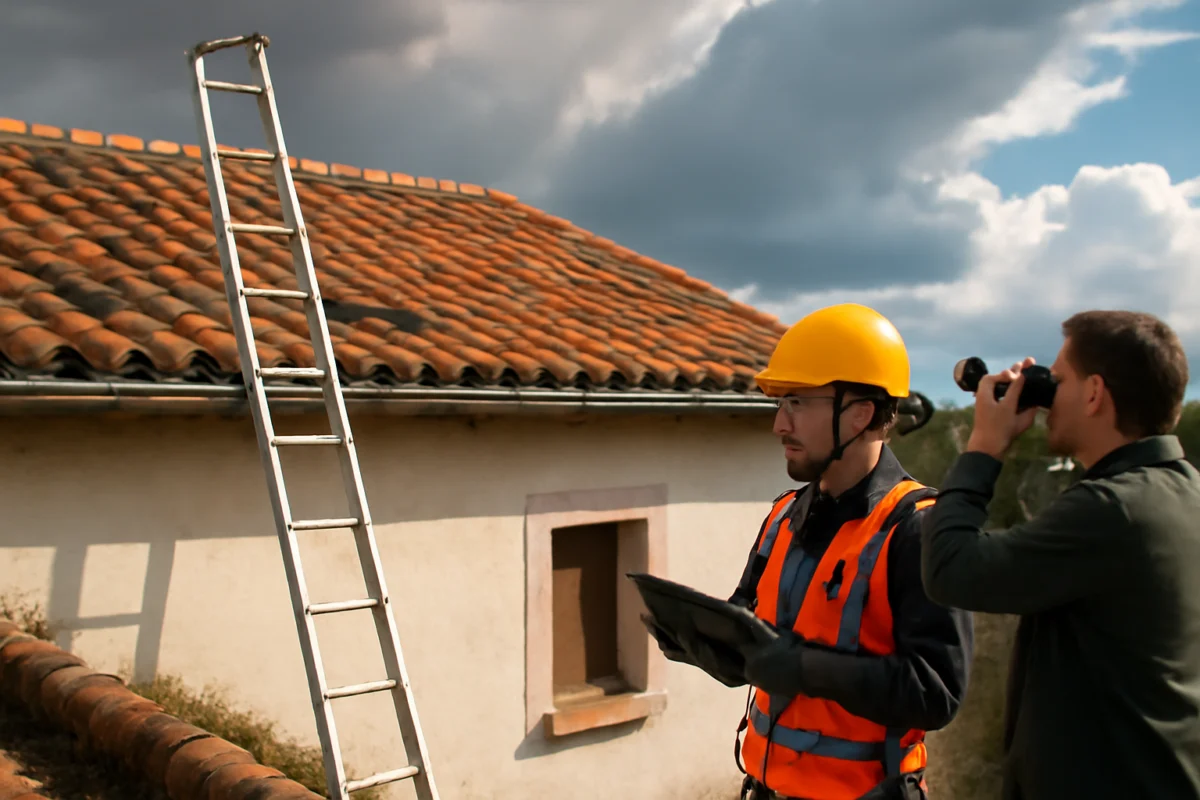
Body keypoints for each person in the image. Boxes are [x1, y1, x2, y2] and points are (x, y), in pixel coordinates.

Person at [648, 303, 973, 800]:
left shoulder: (916, 528)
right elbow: (753, 645)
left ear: (860, 413)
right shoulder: (783, 517)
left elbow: (936, 692)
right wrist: (700, 642)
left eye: (797, 402)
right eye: (781, 405)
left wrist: (801, 667)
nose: (780, 424)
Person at [920, 309, 1200, 799]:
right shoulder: (1185, 492)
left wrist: (984, 446)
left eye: (1059, 380)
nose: (1049, 396)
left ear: (1093, 394)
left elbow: (951, 569)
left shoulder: (1113, 509)